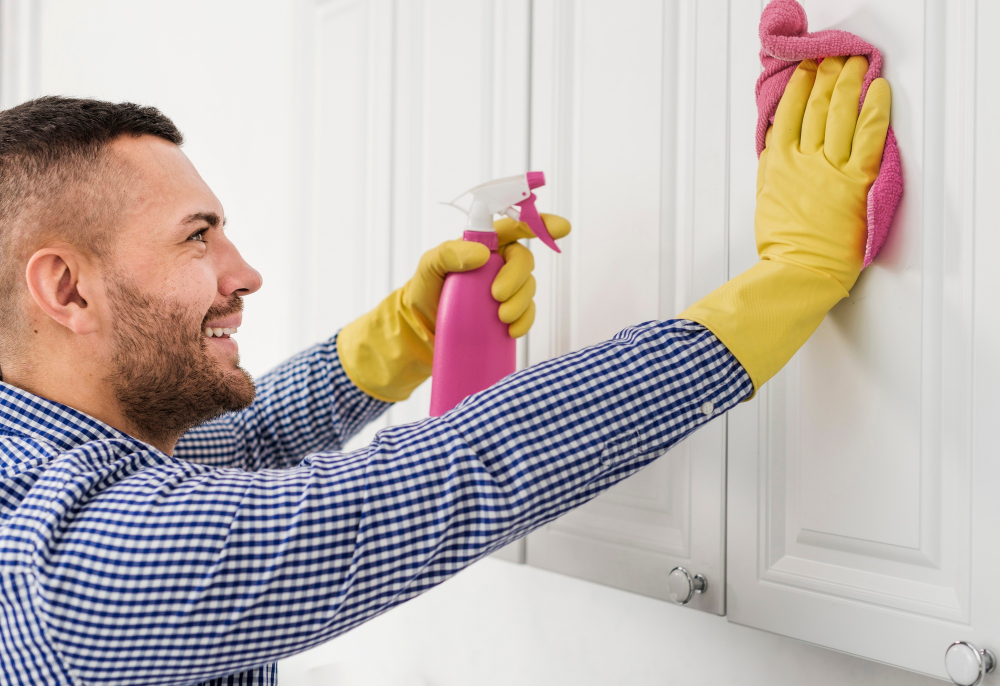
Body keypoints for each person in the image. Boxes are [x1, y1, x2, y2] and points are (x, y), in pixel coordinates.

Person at [0, 55, 889, 686]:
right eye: (199, 236)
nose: (245, 271)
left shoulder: (50, 455)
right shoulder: (70, 568)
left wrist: (400, 338)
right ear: (68, 289)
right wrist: (787, 282)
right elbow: (454, 476)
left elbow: (246, 442)